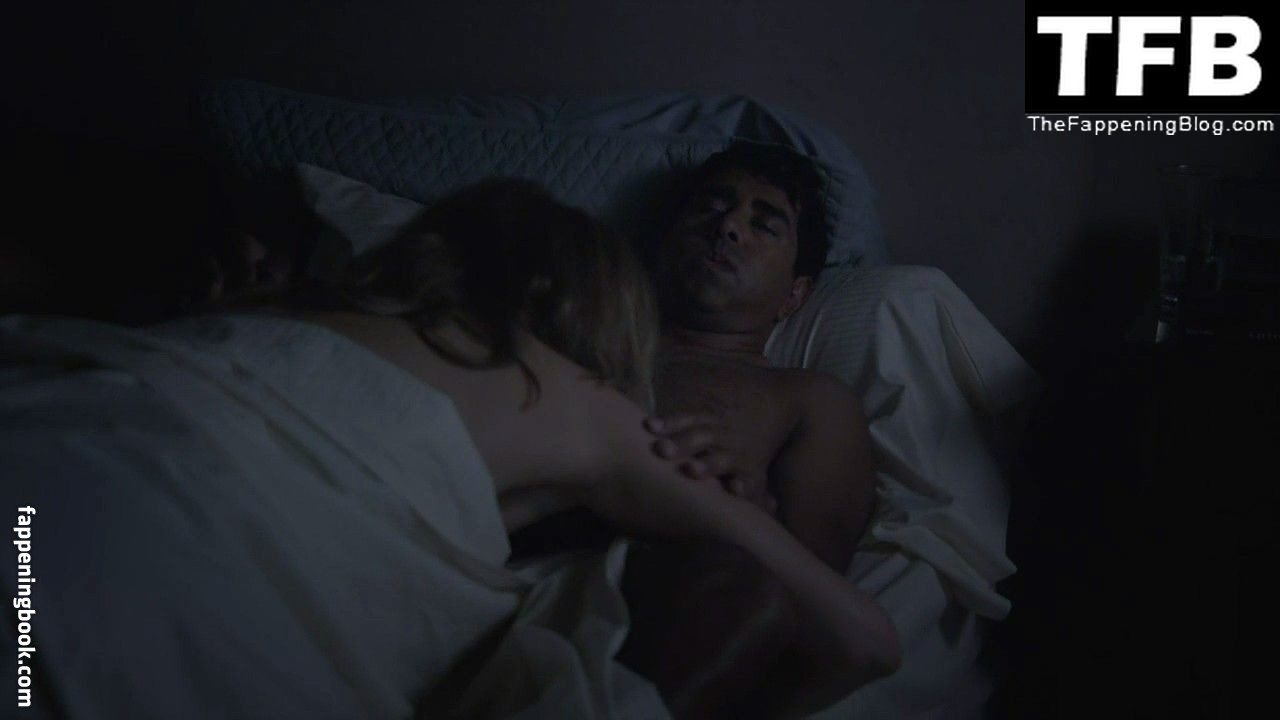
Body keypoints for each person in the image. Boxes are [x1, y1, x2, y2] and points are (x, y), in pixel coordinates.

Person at [618, 143, 891, 717]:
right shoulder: (582, 335)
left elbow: (805, 604)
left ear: (795, 295)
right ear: (663, 241)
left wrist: (741, 513)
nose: (728, 227)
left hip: (663, 608)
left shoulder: (807, 401)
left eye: (765, 225)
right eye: (709, 208)